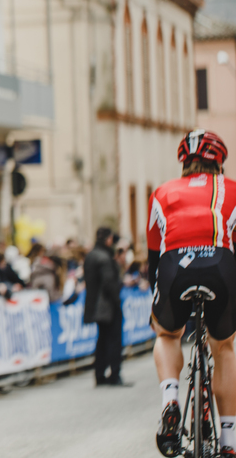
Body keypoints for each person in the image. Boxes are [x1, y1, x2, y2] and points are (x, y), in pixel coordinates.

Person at [148, 130, 236, 457]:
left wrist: (157, 300)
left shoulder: (162, 192)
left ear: (183, 162)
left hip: (175, 266)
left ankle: (170, 399)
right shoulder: (232, 189)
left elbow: (153, 255)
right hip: (221, 265)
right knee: (224, 347)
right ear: (220, 162)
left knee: (167, 334)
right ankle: (229, 441)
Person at [83, 227, 127, 387]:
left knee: (102, 340)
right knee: (114, 340)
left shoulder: (91, 255)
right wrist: (116, 300)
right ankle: (114, 374)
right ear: (108, 239)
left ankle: (100, 374)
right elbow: (109, 283)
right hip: (108, 306)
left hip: (96, 305)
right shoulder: (105, 257)